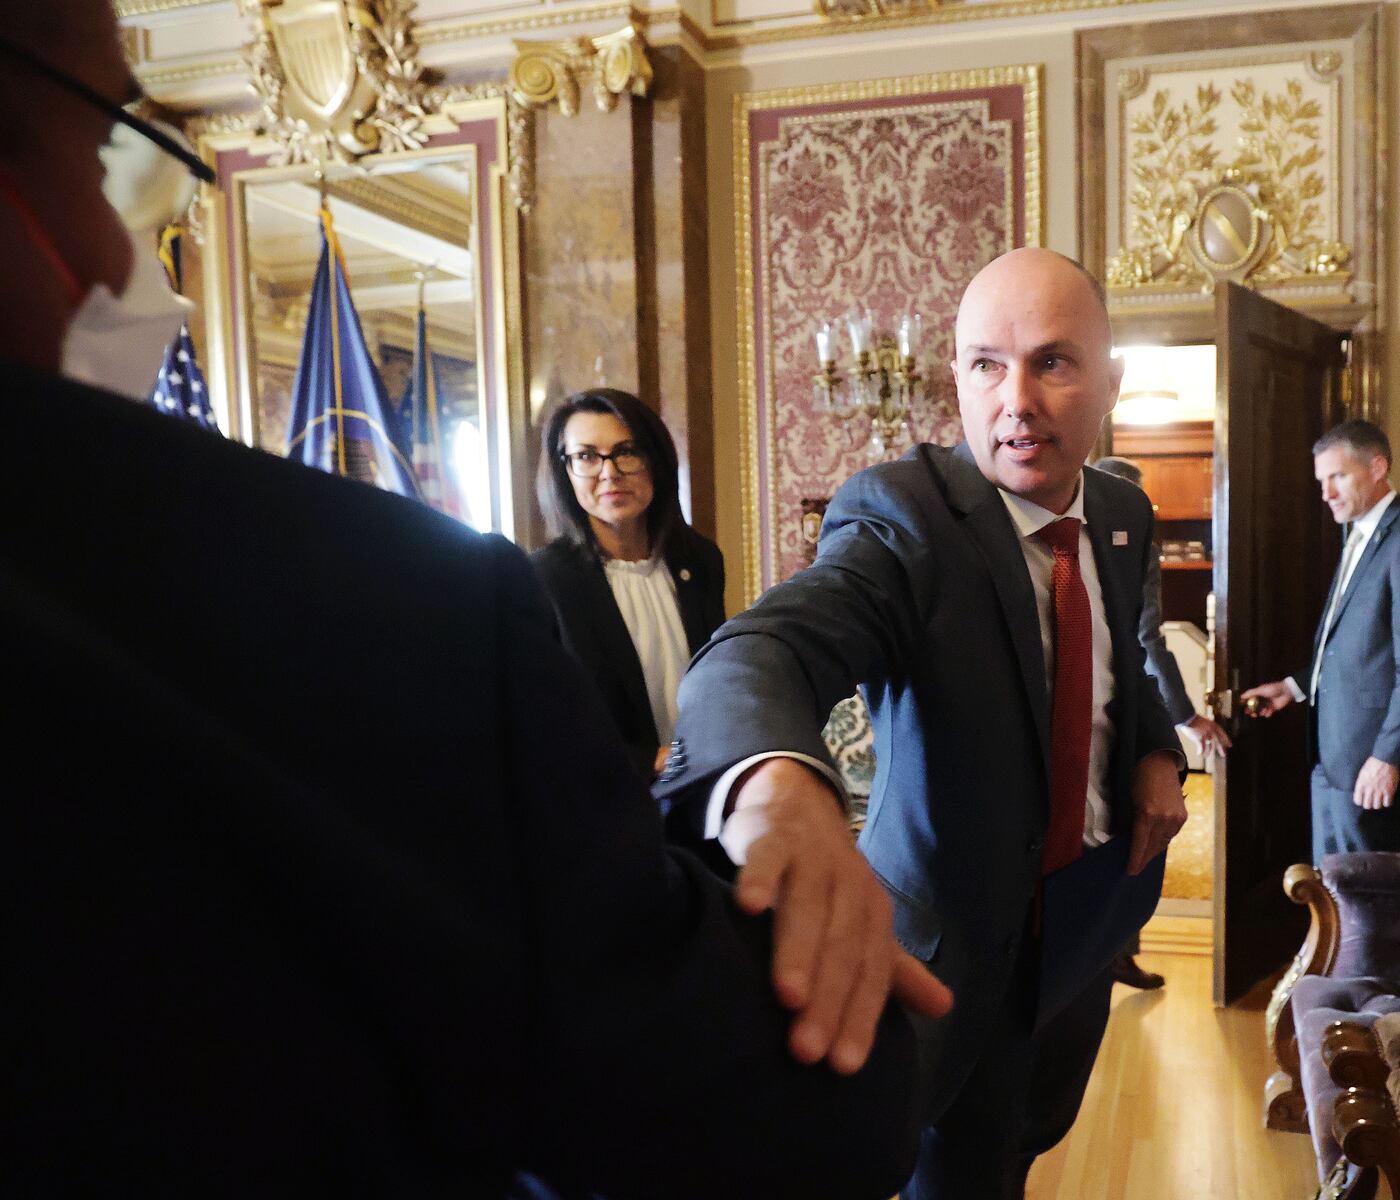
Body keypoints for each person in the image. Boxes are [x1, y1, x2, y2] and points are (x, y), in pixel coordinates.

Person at [0, 4, 951, 1194]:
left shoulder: (698, 561)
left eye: (625, 453)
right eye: (106, 154)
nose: (119, 258)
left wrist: (730, 767)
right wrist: (742, 797)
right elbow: (781, 1100)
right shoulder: (430, 608)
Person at [657, 248, 1188, 1199]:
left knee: (1029, 1140)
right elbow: (762, 649)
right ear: (955, 376)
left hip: (1087, 920)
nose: (1014, 399)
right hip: (951, 955)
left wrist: (1156, 749)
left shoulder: (1121, 510)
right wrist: (777, 780)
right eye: (987, 364)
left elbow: (1126, 655)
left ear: (1112, 380)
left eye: (1053, 363)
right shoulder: (907, 519)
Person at [1241, 420, 1400, 862]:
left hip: (1368, 763)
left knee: (1361, 900)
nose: (1327, 493)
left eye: (1338, 477)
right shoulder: (1358, 533)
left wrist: (1386, 757)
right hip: (1333, 754)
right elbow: (1353, 648)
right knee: (1331, 891)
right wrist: (1295, 687)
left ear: (1377, 467)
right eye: (1322, 481)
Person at [531, 388, 724, 782]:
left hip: (705, 785)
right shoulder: (543, 579)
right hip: (604, 800)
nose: (609, 472)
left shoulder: (700, 560)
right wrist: (649, 761)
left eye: (627, 451)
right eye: (586, 456)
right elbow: (541, 720)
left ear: (657, 460)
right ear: (564, 471)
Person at [1092, 454, 1232, 990]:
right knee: (1137, 835)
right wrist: (1186, 718)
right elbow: (1149, 640)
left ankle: (1107, 955)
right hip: (1124, 719)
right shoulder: (1138, 546)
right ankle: (1113, 954)